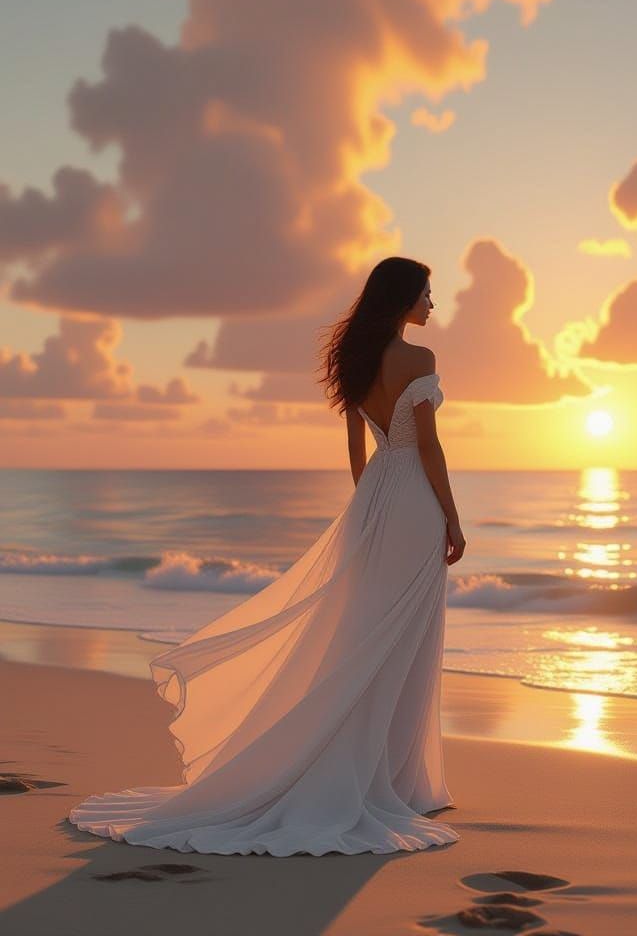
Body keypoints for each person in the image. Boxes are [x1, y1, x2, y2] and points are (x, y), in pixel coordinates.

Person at [67, 256, 466, 856]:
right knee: (404, 637)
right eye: (427, 294)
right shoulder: (420, 361)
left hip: (378, 497)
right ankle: (400, 781)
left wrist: (370, 511)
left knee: (367, 632)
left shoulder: (356, 362)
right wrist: (452, 517)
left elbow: (359, 455)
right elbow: (429, 449)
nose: (433, 304)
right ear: (403, 298)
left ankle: (381, 772)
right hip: (413, 500)